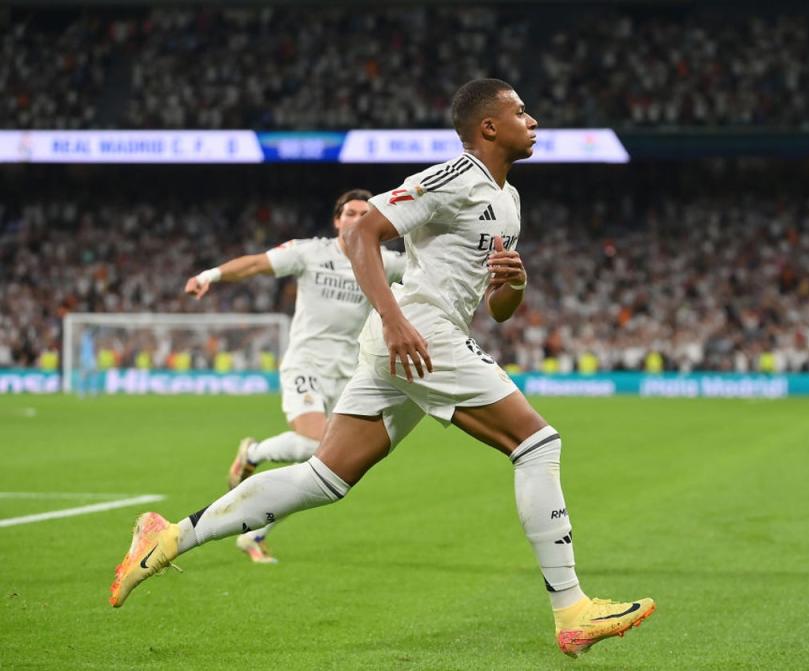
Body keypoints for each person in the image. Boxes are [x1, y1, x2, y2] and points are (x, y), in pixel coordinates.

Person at [110, 79, 655, 658]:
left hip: (421, 339)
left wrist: (514, 285)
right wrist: (395, 320)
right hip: (421, 333)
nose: (534, 119)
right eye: (521, 111)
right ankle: (571, 609)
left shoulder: (509, 200)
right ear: (488, 127)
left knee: (324, 478)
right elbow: (361, 232)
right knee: (537, 445)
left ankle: (168, 537)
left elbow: (498, 309)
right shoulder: (453, 177)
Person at [183, 189, 405, 563]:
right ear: (337, 220)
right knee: (317, 445)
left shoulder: (385, 261)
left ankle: (255, 531)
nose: (356, 219)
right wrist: (211, 275)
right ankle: (255, 453)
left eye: (365, 215)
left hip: (350, 373)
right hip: (306, 364)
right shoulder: (310, 252)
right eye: (349, 213)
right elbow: (255, 264)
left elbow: (433, 268)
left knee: (325, 465)